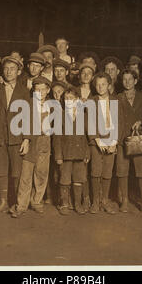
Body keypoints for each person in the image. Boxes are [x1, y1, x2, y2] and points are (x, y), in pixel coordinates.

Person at [0, 55, 31, 212]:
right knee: (0, 169)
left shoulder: (24, 91)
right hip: (0, 137)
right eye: (6, 69)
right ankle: (2, 201)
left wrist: (27, 139)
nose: (9, 72)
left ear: (19, 71)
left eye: (13, 69)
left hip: (17, 137)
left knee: (16, 170)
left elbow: (29, 115)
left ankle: (15, 202)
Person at [10, 76, 52, 217]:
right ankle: (21, 205)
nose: (40, 92)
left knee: (41, 173)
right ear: (33, 90)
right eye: (36, 89)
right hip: (31, 141)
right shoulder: (27, 104)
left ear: (48, 90)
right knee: (26, 174)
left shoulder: (52, 106)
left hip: (45, 141)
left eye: (43, 89)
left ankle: (36, 201)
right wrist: (26, 140)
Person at [116, 70, 142, 215]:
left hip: (137, 140)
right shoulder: (117, 98)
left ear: (135, 81)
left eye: (130, 79)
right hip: (121, 139)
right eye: (124, 79)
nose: (127, 82)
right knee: (122, 171)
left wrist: (141, 122)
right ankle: (124, 200)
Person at [88, 72, 121, 214]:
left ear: (109, 85)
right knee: (96, 171)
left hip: (111, 141)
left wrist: (114, 142)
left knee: (107, 172)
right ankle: (95, 201)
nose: (100, 87)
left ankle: (105, 200)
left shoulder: (116, 101)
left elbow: (120, 123)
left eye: (103, 84)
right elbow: (89, 123)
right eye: (97, 84)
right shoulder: (92, 101)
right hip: (96, 142)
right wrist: (97, 140)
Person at [54, 86, 90, 215]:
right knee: (64, 178)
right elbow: (57, 138)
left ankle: (77, 203)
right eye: (66, 98)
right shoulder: (60, 116)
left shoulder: (83, 116)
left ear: (77, 100)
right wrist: (58, 155)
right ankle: (64, 203)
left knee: (78, 178)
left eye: (72, 99)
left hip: (80, 154)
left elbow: (87, 137)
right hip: (66, 154)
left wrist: (87, 153)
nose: (69, 101)